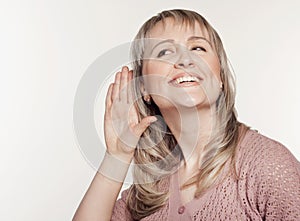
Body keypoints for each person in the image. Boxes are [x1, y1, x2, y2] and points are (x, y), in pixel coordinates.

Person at [73, 9, 300, 221]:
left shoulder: (267, 166)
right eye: (164, 52)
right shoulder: (149, 192)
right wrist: (117, 157)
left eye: (198, 48)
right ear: (144, 88)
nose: (184, 60)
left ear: (219, 76)